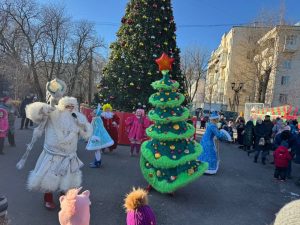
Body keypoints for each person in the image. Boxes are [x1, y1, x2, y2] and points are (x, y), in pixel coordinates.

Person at [16, 96, 92, 210]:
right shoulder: (53, 114)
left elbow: (86, 134)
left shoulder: (78, 117)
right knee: (49, 178)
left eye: (72, 106)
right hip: (52, 154)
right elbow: (36, 115)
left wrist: (83, 124)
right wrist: (45, 107)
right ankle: (48, 199)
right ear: (61, 106)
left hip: (69, 155)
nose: (70, 109)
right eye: (67, 106)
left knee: (67, 179)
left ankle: (64, 198)